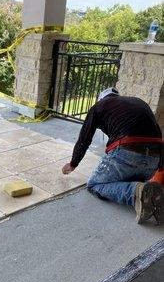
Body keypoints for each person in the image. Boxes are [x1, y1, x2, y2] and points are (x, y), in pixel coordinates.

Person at [62, 87, 164, 225]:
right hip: (154, 160)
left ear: (101, 99)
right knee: (127, 177)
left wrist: (73, 163)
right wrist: (160, 165)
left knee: (94, 184)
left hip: (128, 152)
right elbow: (157, 133)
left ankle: (135, 192)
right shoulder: (138, 102)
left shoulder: (99, 106)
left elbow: (84, 139)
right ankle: (149, 194)